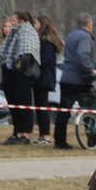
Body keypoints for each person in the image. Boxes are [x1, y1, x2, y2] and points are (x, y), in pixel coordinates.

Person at [57, 13, 96, 150]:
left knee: (63, 112)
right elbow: (83, 55)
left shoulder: (71, 35)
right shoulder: (85, 37)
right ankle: (93, 140)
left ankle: (59, 142)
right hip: (80, 81)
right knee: (92, 109)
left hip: (66, 79)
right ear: (90, 25)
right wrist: (92, 71)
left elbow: (79, 57)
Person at [0, 11, 41, 145]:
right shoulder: (16, 32)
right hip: (12, 74)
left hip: (24, 74)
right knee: (14, 104)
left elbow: (27, 54)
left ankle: (25, 134)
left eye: (14, 20)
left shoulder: (26, 32)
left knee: (24, 104)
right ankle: (17, 132)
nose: (11, 23)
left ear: (22, 21)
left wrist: (17, 66)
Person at [34, 15, 63, 145]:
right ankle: (42, 134)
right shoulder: (43, 40)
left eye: (36, 23)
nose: (34, 25)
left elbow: (45, 60)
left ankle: (45, 135)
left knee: (42, 107)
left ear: (42, 24)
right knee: (40, 107)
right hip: (41, 78)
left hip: (44, 78)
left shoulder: (47, 42)